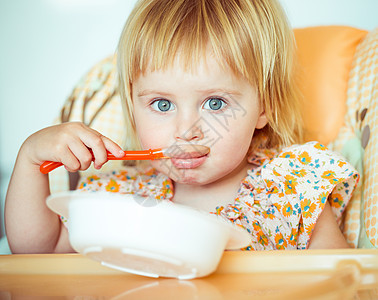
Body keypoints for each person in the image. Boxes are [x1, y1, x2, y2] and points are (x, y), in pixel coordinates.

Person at [5, 0, 359, 253]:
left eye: (215, 103)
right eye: (162, 104)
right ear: (133, 106)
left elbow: (340, 283)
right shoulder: (122, 198)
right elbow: (43, 249)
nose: (186, 130)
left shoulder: (290, 189)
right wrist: (30, 161)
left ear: (263, 106)